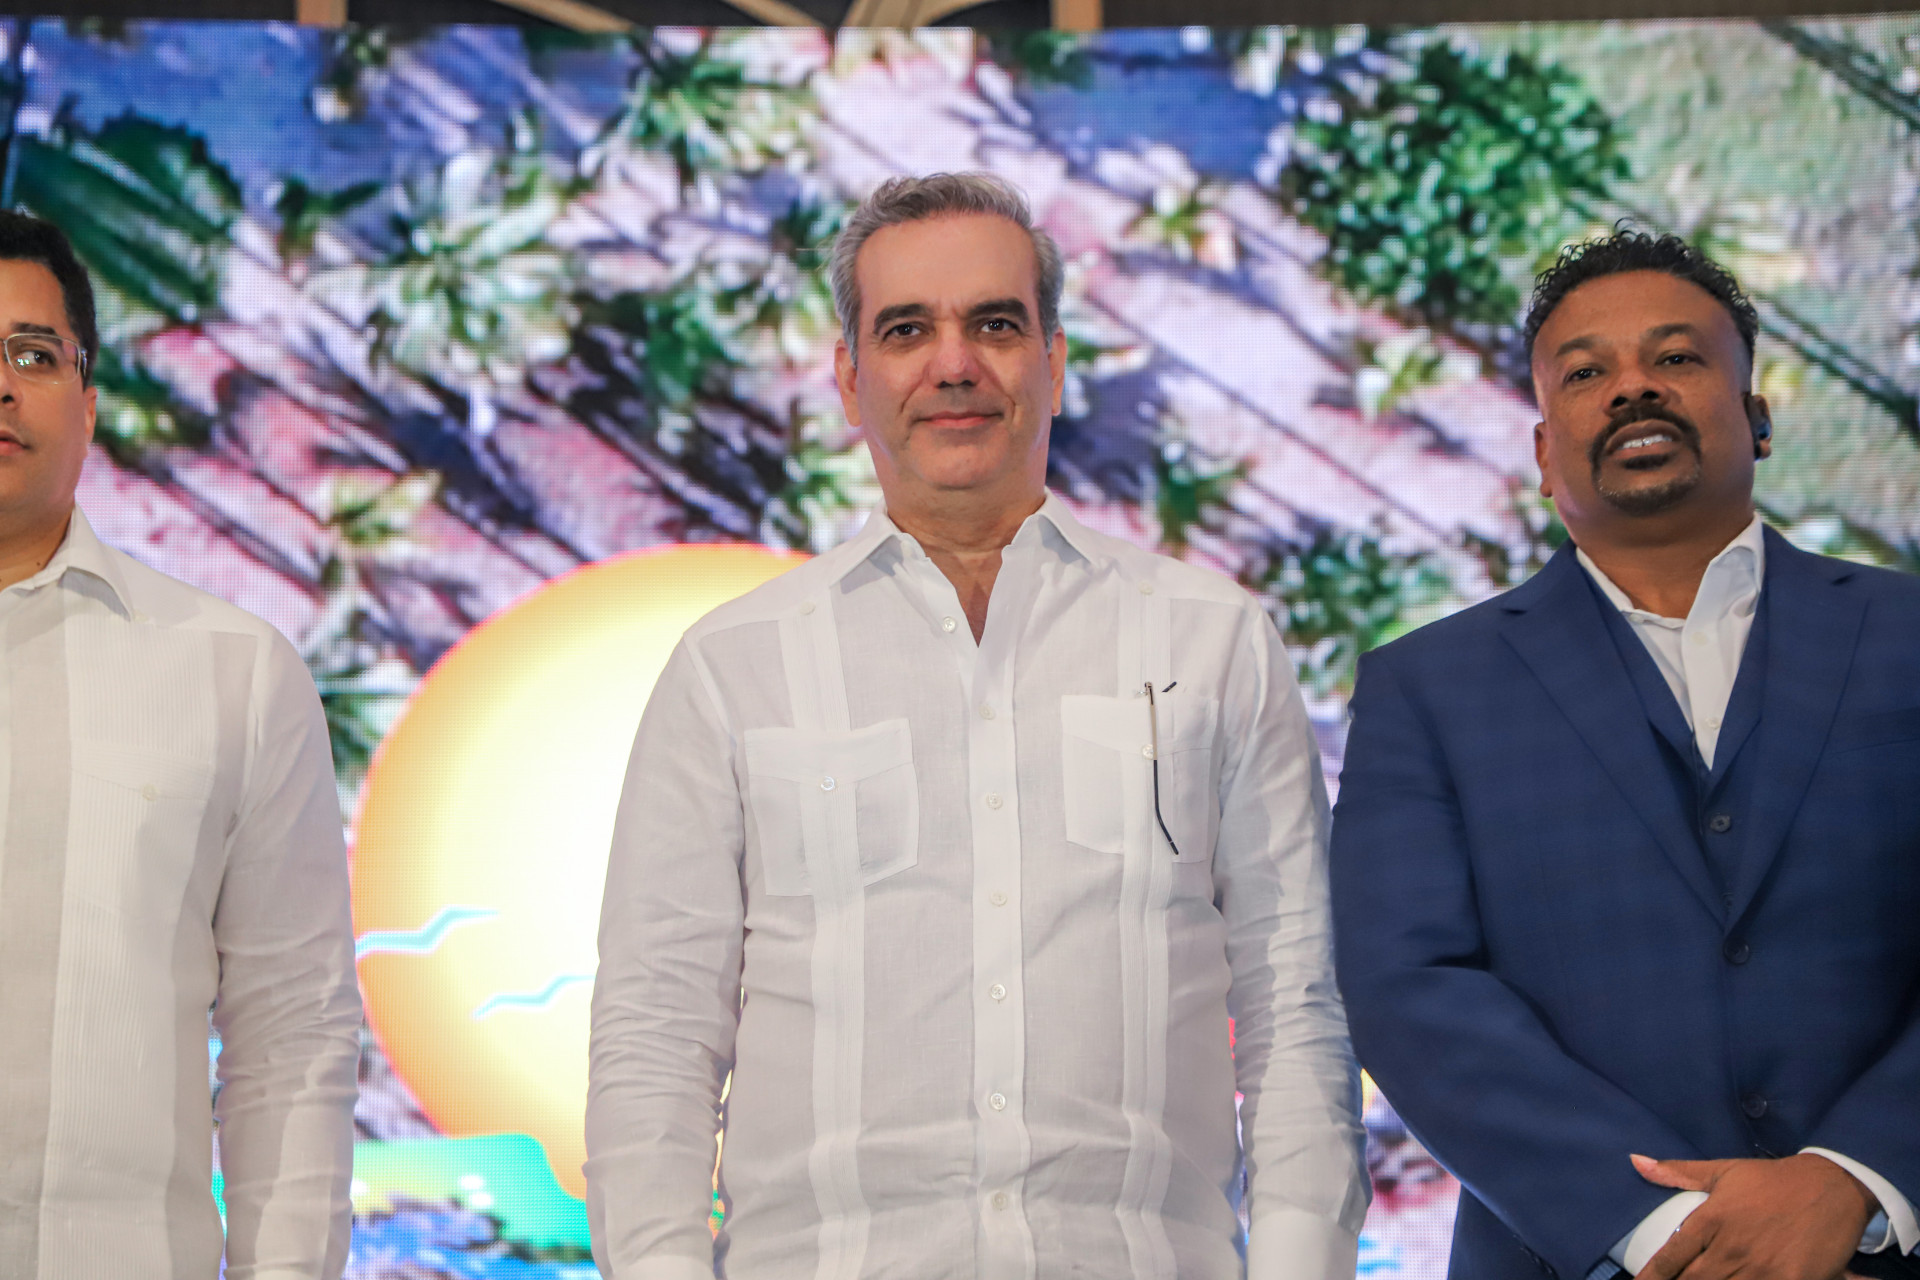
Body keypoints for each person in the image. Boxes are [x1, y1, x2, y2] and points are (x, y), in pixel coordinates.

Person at [586, 171, 1369, 1279]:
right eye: (907, 330)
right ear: (850, 378)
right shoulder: (734, 667)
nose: (954, 363)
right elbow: (656, 1034)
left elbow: (1297, 1007)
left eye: (995, 325)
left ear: (1054, 362)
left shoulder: (1212, 641)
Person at [1330, 229, 1920, 1280]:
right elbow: (1409, 988)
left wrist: (1854, 1180)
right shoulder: (1425, 688)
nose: (1633, 387)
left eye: (1676, 357)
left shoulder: (1906, 633)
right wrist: (1666, 1235)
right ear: (1542, 452)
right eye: (1585, 373)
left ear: (1759, 417)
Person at [0, 210, 361, 1277]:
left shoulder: (233, 672)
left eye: (33, 354)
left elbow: (291, 1039)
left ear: (89, 403)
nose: (2, 385)